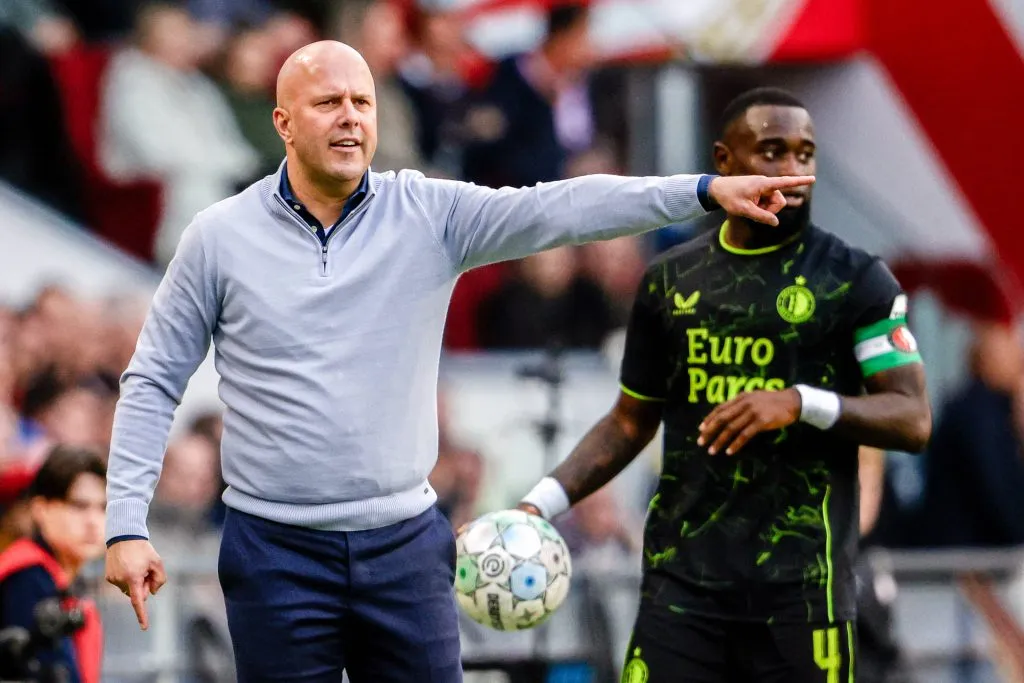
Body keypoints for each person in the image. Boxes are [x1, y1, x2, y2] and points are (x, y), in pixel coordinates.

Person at [101, 41, 813, 683]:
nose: (351, 118)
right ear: (284, 123)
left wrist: (698, 191)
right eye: (328, 103)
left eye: (362, 102)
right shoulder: (219, 236)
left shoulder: (427, 213)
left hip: (405, 545)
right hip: (275, 551)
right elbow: (154, 378)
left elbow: (561, 209)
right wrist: (127, 523)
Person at [518, 87, 932, 682]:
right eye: (772, 151)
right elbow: (630, 421)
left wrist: (800, 404)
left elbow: (912, 417)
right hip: (682, 592)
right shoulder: (669, 280)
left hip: (802, 598)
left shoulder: (856, 282)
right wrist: (541, 504)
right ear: (724, 161)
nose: (794, 170)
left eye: (806, 154)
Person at [0, 446, 106, 683]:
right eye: (79, 506)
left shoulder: (63, 580)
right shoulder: (27, 577)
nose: (93, 522)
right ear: (41, 510)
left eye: (103, 508)